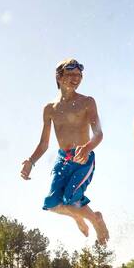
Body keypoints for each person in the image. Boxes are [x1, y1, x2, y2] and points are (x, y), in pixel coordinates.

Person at [20, 58, 109, 243]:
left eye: (79, 75)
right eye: (70, 74)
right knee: (52, 204)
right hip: (63, 159)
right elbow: (44, 144)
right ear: (59, 78)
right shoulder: (49, 109)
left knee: (70, 198)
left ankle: (95, 220)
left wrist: (88, 147)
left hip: (83, 159)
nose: (75, 78)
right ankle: (78, 216)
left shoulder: (87, 102)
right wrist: (30, 161)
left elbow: (99, 133)